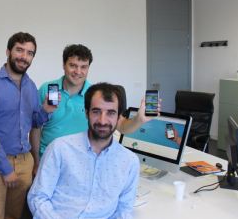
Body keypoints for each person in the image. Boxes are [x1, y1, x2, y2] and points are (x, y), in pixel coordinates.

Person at [30, 44, 161, 177]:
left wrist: (139, 119)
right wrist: (36, 163)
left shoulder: (95, 95)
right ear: (63, 64)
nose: (78, 71)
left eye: (83, 67)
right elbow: (35, 128)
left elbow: (121, 126)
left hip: (80, 164)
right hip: (48, 161)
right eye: (73, 65)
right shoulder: (46, 89)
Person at [0, 32, 59, 219]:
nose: (24, 56)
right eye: (20, 50)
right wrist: (6, 169)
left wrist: (46, 109)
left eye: (29, 53)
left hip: (24, 162)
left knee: (14, 217)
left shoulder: (30, 86)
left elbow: (34, 123)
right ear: (8, 51)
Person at [28, 82, 139, 219]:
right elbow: (37, 197)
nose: (102, 120)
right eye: (96, 111)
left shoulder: (130, 161)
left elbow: (123, 210)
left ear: (119, 118)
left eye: (111, 113)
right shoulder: (59, 148)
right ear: (86, 113)